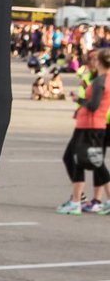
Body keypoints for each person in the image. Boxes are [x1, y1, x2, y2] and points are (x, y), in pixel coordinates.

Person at [57, 47, 110, 213]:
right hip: (89, 125)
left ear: (99, 62)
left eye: (95, 59)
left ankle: (76, 201)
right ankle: (77, 199)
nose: (92, 61)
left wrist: (80, 100)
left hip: (90, 125)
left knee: (91, 162)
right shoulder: (101, 79)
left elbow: (94, 106)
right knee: (83, 160)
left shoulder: (101, 81)